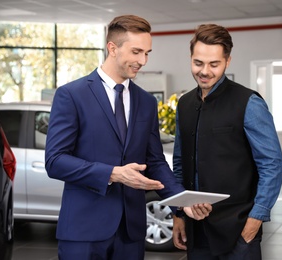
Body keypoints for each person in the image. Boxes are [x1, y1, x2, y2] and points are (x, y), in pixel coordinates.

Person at [45, 15, 211, 260]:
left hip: (131, 234)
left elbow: (155, 162)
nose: (142, 61)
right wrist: (112, 173)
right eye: (136, 52)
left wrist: (182, 203)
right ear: (112, 48)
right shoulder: (72, 95)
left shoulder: (145, 101)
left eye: (147, 53)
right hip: (83, 230)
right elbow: (55, 161)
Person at [172, 24, 282, 260]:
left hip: (238, 230)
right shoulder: (183, 104)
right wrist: (178, 214)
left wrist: (256, 219)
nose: (205, 71)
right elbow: (180, 162)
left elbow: (272, 163)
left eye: (214, 64)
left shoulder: (249, 103)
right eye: (198, 63)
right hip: (197, 229)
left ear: (227, 61)